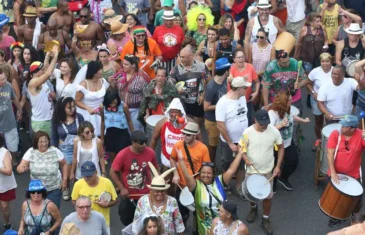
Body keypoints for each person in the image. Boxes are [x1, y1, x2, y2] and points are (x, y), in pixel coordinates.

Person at [176, 133, 244, 234]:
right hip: (203, 230)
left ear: (213, 174)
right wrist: (181, 161)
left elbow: (231, 170)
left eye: (209, 173)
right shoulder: (196, 186)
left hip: (222, 228)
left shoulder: (220, 181)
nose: (205, 175)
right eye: (203, 172)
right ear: (199, 173)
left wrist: (239, 155)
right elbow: (187, 176)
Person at [239, 109, 284, 235]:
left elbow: (280, 148)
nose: (264, 126)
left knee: (268, 196)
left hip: (268, 171)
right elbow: (241, 146)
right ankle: (253, 209)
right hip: (252, 170)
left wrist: (278, 166)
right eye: (261, 124)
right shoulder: (247, 132)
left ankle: (265, 219)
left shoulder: (274, 131)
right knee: (252, 194)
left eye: (266, 123)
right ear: (255, 121)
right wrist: (245, 158)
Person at [110, 130, 158, 226]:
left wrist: (157, 185)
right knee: (127, 220)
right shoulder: (122, 154)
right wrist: (122, 188)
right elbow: (112, 172)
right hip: (130, 196)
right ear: (133, 142)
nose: (144, 145)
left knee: (147, 222)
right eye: (140, 143)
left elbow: (155, 170)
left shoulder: (151, 153)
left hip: (146, 195)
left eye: (145, 141)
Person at [326, 115, 365, 226]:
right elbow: (330, 154)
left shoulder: (361, 135)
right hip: (336, 173)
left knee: (357, 200)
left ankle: (355, 217)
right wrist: (333, 173)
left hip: (354, 175)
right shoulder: (335, 134)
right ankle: (336, 216)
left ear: (352, 128)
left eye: (344, 126)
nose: (341, 127)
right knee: (336, 199)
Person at [268, 90, 310, 191]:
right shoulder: (272, 113)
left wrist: (302, 120)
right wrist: (280, 125)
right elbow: (269, 130)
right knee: (273, 167)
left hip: (287, 142)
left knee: (293, 162)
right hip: (276, 146)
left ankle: (283, 178)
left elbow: (292, 116)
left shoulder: (287, 109)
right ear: (284, 102)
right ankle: (272, 185)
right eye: (290, 100)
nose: (292, 102)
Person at [216, 76, 250, 198]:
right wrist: (230, 143)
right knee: (227, 163)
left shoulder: (242, 98)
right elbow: (220, 125)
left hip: (242, 140)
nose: (247, 89)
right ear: (239, 88)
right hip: (228, 142)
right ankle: (225, 185)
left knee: (241, 164)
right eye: (245, 87)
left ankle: (238, 186)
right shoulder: (223, 103)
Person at [170, 122, 210, 224]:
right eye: (184, 134)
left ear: (195, 135)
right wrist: (175, 173)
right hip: (182, 185)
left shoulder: (203, 148)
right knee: (180, 211)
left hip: (196, 186)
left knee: (197, 211)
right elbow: (172, 158)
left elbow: (207, 167)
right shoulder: (178, 145)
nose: (185, 136)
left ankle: (196, 227)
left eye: (188, 135)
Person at [149, 98, 197, 183]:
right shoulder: (162, 123)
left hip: (185, 161)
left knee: (186, 184)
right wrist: (150, 159)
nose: (173, 114)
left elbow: (199, 141)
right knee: (167, 184)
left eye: (176, 112)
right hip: (167, 161)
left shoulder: (190, 123)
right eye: (171, 111)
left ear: (181, 112)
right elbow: (153, 140)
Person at [17, 131, 68, 208]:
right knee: (38, 212)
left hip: (54, 188)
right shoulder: (31, 151)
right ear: (36, 142)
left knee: (53, 212)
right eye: (41, 142)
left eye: (45, 141)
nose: (44, 144)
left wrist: (64, 180)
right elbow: (19, 168)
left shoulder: (54, 151)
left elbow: (64, 164)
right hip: (36, 191)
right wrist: (21, 169)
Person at [134, 163, 185, 234]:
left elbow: (179, 224)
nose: (160, 193)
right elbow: (136, 225)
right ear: (151, 190)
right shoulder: (142, 201)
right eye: (157, 191)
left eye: (163, 191)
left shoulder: (172, 201)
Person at [51, 97, 84, 201]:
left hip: (79, 146)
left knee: (79, 170)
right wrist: (53, 151)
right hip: (65, 148)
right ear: (62, 108)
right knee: (68, 171)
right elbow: (54, 136)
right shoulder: (56, 119)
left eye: (73, 106)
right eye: (69, 107)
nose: (72, 109)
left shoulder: (80, 117)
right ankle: (66, 187)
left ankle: (78, 188)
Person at [71, 161, 118, 233]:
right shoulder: (78, 184)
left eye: (90, 176)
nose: (87, 178)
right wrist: (81, 208)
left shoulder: (107, 182)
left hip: (102, 221)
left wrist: (107, 204)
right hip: (84, 221)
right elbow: (74, 200)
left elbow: (115, 200)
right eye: (85, 176)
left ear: (96, 172)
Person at [169, 46, 210, 125]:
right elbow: (170, 86)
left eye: (183, 57)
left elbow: (209, 82)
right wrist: (177, 91)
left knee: (196, 125)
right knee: (183, 124)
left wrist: (203, 94)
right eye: (180, 57)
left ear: (191, 56)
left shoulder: (202, 66)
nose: (181, 59)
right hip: (183, 102)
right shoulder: (175, 70)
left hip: (197, 102)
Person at [111, 56, 150, 131]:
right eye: (123, 64)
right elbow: (114, 87)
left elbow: (147, 96)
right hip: (121, 108)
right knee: (122, 130)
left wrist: (147, 113)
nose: (123, 66)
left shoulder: (142, 77)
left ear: (133, 65)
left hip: (136, 109)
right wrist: (111, 81)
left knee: (136, 131)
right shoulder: (120, 74)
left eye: (126, 64)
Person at [204, 58, 230, 165]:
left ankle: (224, 164)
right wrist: (221, 105)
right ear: (225, 71)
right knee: (213, 146)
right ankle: (211, 166)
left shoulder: (225, 80)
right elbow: (206, 107)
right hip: (212, 121)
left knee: (225, 143)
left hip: (223, 119)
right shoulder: (212, 87)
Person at [27, 46, 58, 136]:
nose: (44, 71)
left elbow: (47, 69)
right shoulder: (33, 83)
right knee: (44, 146)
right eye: (42, 70)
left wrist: (47, 56)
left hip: (47, 119)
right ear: (35, 73)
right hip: (41, 122)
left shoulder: (43, 81)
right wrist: (55, 56)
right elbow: (48, 73)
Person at [75, 61, 109, 137]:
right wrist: (87, 108)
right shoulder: (84, 84)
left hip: (101, 112)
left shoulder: (102, 81)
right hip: (87, 113)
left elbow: (107, 95)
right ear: (94, 72)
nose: (102, 71)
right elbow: (77, 101)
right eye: (100, 69)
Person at [306, 53, 333, 149]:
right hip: (316, 100)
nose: (325, 63)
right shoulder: (315, 71)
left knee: (330, 120)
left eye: (327, 61)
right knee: (318, 121)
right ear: (320, 62)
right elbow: (308, 83)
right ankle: (319, 139)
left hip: (331, 100)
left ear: (331, 61)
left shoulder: (335, 71)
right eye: (323, 61)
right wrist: (313, 92)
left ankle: (330, 140)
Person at [100, 89, 133, 163]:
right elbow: (102, 122)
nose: (113, 105)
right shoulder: (102, 107)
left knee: (124, 158)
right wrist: (102, 138)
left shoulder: (123, 106)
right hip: (110, 135)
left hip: (122, 134)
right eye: (110, 103)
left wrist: (133, 135)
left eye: (114, 102)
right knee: (113, 160)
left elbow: (129, 121)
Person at [229, 49, 259, 124]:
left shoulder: (250, 67)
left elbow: (257, 82)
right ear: (234, 59)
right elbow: (230, 79)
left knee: (248, 121)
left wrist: (256, 92)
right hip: (235, 100)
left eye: (242, 57)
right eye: (239, 57)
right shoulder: (232, 67)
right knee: (236, 121)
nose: (241, 59)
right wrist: (242, 79)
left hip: (247, 101)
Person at [0, 64, 22, 165]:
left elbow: (14, 98)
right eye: (2, 80)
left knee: (13, 145)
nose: (4, 81)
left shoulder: (8, 86)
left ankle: (13, 160)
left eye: (5, 78)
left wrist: (19, 110)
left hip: (9, 122)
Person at [0, 135, 17, 232]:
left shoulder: (4, 152)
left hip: (4, 185)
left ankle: (7, 223)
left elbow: (9, 171)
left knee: (5, 207)